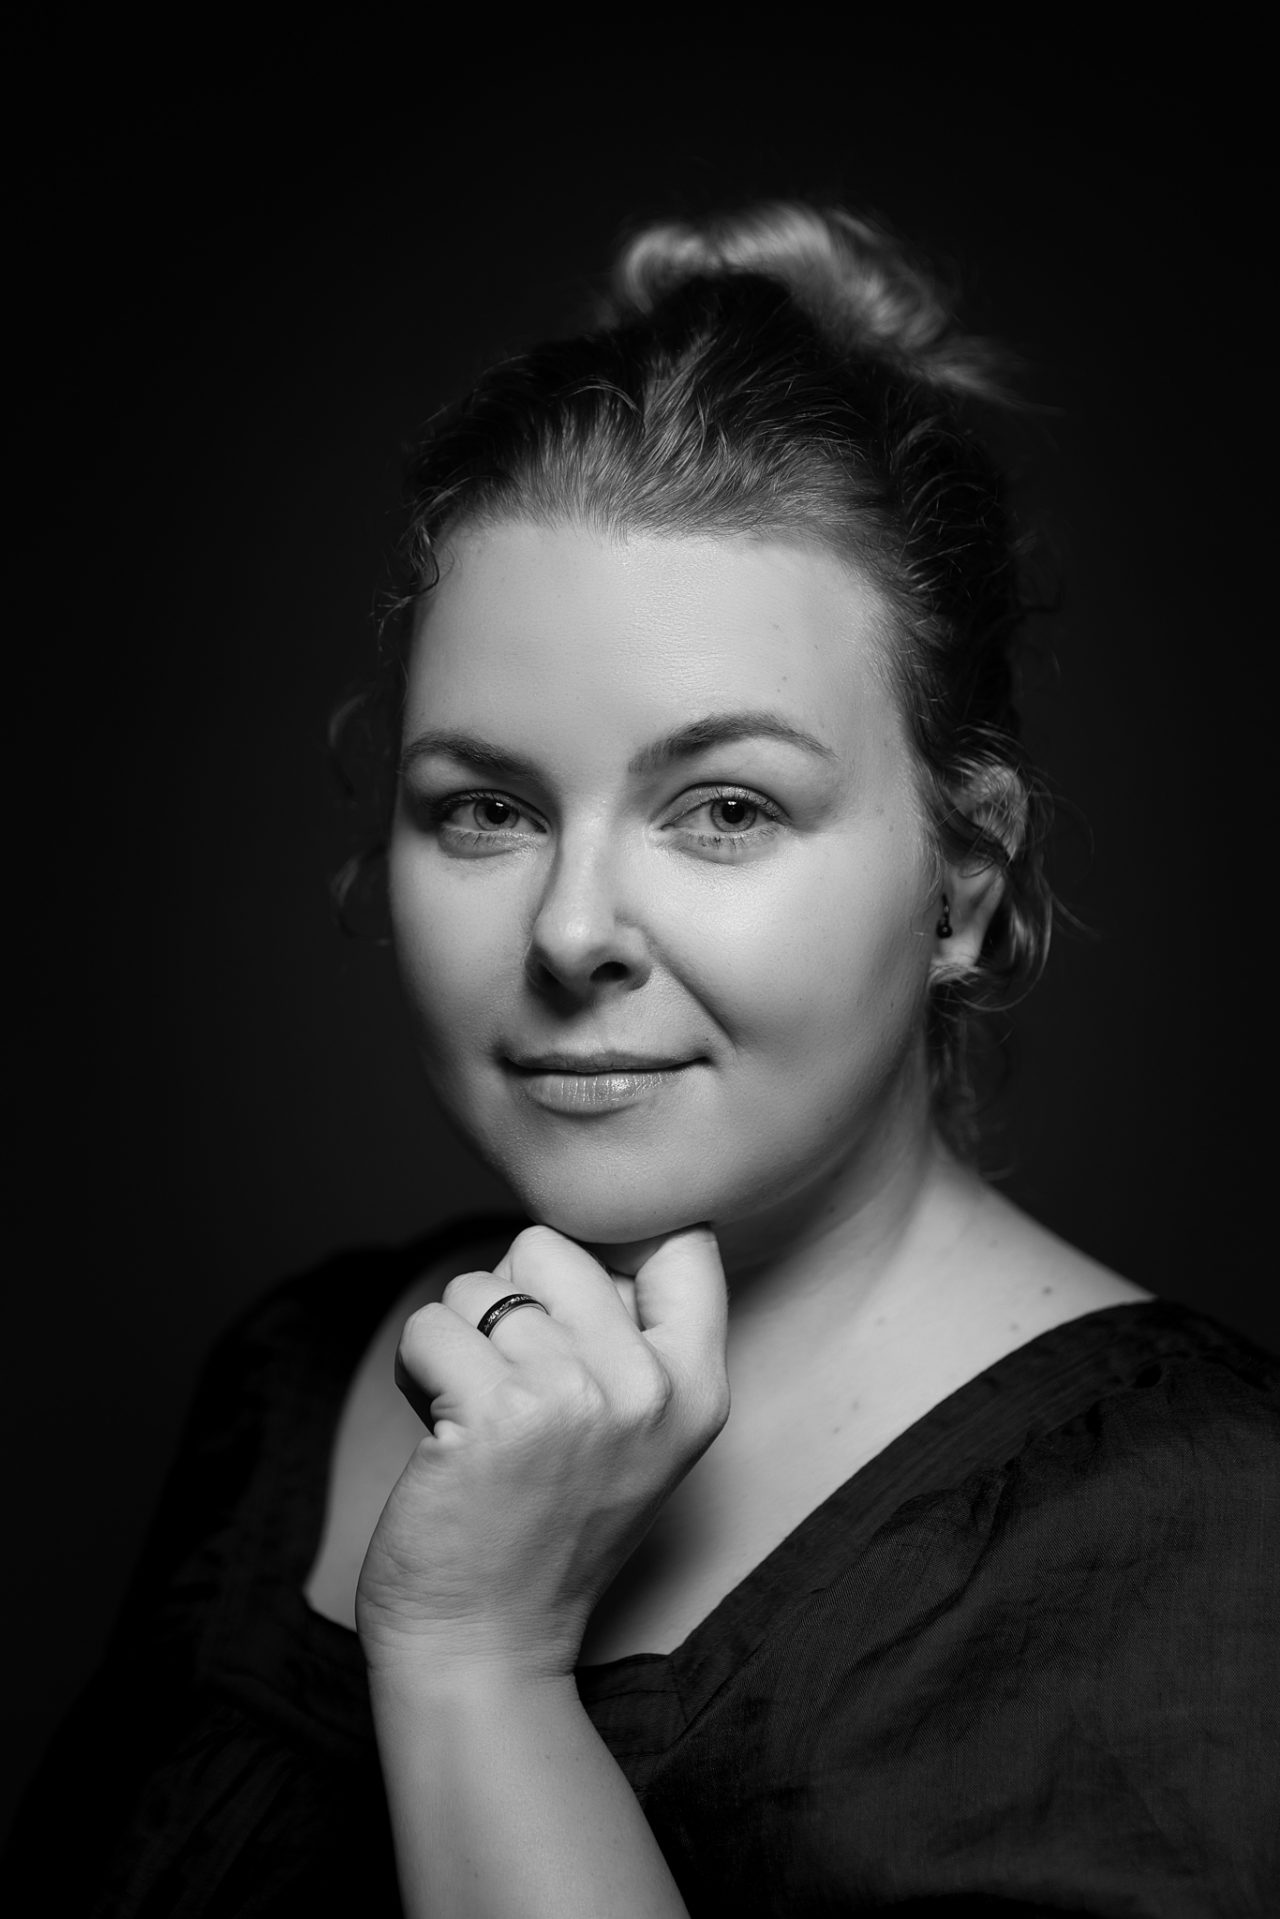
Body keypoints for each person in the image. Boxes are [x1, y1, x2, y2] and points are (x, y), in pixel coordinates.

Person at [6, 203, 1276, 1917]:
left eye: (727, 807)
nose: (569, 928)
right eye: (486, 807)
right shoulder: (295, 1381)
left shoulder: (1209, 1541)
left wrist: (476, 1660)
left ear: (963, 884)